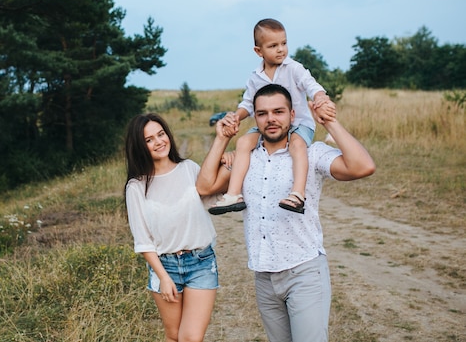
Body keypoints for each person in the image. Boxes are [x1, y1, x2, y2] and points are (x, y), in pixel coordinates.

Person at [196, 84, 375, 342]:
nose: (271, 119)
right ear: (255, 118)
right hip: (264, 278)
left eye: (279, 111)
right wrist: (222, 138)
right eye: (263, 113)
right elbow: (204, 187)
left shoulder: (311, 154)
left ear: (292, 115)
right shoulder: (244, 160)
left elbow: (364, 166)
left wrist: (329, 123)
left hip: (303, 272)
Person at [208, 18, 335, 216]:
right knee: (242, 143)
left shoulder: (293, 68)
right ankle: (233, 194)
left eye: (284, 43)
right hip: (266, 126)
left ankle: (298, 195)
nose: (281, 50)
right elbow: (248, 104)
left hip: (299, 123)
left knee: (297, 145)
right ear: (259, 51)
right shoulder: (255, 76)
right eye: (273, 45)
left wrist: (320, 97)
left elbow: (311, 85)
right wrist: (236, 116)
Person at [124, 113, 230, 342]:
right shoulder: (136, 186)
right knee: (173, 336)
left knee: (190, 338)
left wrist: (227, 164)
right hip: (165, 266)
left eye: (161, 134)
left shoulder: (189, 169)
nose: (158, 141)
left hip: (201, 262)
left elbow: (213, 199)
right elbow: (143, 240)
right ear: (140, 146)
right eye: (149, 139)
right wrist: (163, 277)